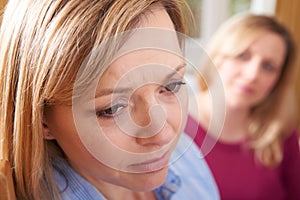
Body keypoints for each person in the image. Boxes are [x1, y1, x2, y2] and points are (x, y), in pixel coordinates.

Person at [0, 0, 220, 199]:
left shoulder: (187, 158)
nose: (163, 135)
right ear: (41, 119)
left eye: (170, 86)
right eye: (113, 109)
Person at [185, 13, 300, 200]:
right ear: (218, 56)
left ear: (277, 82)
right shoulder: (172, 122)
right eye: (243, 56)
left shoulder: (280, 133)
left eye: (268, 67)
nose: (252, 74)